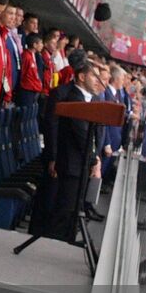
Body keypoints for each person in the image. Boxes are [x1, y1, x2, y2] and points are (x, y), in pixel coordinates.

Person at [44, 53, 103, 242]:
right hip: (71, 162)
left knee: (74, 208)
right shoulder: (70, 97)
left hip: (83, 163)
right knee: (65, 208)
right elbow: (75, 132)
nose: (98, 81)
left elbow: (94, 134)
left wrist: (96, 157)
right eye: (95, 76)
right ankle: (55, 241)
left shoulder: (92, 100)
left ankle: (67, 238)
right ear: (82, 76)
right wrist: (94, 158)